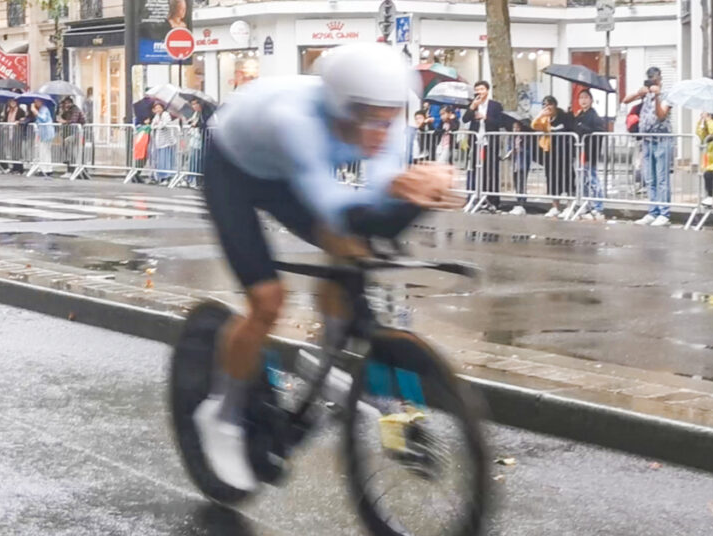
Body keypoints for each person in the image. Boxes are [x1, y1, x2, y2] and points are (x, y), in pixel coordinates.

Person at [195, 43, 454, 491]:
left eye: (390, 116)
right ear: (341, 108)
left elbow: (376, 207)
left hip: (285, 175)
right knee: (267, 301)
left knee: (352, 250)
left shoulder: (390, 126)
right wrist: (407, 193)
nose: (382, 130)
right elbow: (334, 207)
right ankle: (221, 413)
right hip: (232, 170)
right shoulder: (295, 121)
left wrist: (419, 190)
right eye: (371, 118)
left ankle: (327, 353)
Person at [622, 66, 673, 226]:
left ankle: (664, 213)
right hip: (647, 140)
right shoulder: (645, 95)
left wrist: (657, 97)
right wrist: (640, 93)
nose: (653, 81)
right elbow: (625, 100)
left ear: (660, 79)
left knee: (662, 178)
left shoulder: (667, 95)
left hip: (661, 140)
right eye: (650, 78)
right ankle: (653, 211)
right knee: (650, 178)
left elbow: (661, 115)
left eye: (655, 78)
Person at [462, 81, 506, 212]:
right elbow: (465, 119)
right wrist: (472, 107)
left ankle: (493, 200)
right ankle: (479, 198)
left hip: (490, 142)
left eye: (482, 89)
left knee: (491, 171)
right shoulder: (473, 104)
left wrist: (485, 117)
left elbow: (500, 122)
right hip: (476, 142)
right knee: (477, 171)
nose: (479, 92)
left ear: (487, 90)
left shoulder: (495, 105)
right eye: (477, 90)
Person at [532, 96, 575, 218]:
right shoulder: (545, 119)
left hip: (564, 152)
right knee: (551, 178)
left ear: (555, 105)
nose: (547, 107)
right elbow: (534, 125)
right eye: (544, 105)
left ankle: (569, 206)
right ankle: (555, 207)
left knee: (567, 179)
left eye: (549, 104)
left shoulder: (564, 116)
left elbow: (571, 129)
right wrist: (540, 115)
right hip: (550, 152)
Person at [572, 89, 607, 221]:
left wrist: (584, 129)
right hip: (580, 152)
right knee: (583, 181)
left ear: (591, 100)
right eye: (581, 98)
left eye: (586, 97)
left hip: (589, 152)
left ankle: (598, 207)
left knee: (592, 180)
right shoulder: (580, 115)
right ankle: (588, 205)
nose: (583, 100)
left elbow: (599, 131)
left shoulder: (594, 116)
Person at [503, 118, 534, 215]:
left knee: (522, 181)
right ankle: (518, 200)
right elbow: (509, 148)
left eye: (517, 127)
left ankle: (522, 202)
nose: (515, 130)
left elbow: (529, 151)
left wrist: (520, 149)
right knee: (516, 181)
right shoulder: (512, 137)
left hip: (523, 162)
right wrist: (510, 152)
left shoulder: (526, 137)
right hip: (515, 162)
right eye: (514, 128)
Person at [150, 102, 179, 184]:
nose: (158, 109)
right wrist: (157, 124)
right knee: (160, 160)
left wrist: (158, 124)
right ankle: (161, 177)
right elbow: (152, 125)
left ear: (162, 108)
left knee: (167, 159)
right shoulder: (156, 116)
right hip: (159, 141)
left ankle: (167, 177)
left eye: (159, 107)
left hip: (168, 141)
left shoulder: (166, 115)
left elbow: (163, 125)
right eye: (156, 108)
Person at [58, 96, 86, 177]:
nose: (66, 105)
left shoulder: (75, 109)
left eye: (67, 103)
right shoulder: (67, 110)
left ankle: (72, 170)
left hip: (77, 133)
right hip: (69, 133)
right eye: (64, 103)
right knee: (68, 150)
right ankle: (69, 168)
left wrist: (65, 121)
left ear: (71, 103)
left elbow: (73, 120)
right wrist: (63, 111)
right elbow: (61, 118)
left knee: (70, 148)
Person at [696, 112, 713, 208]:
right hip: (710, 155)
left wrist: (709, 121)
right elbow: (701, 135)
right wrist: (702, 122)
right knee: (708, 174)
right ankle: (710, 196)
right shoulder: (709, 121)